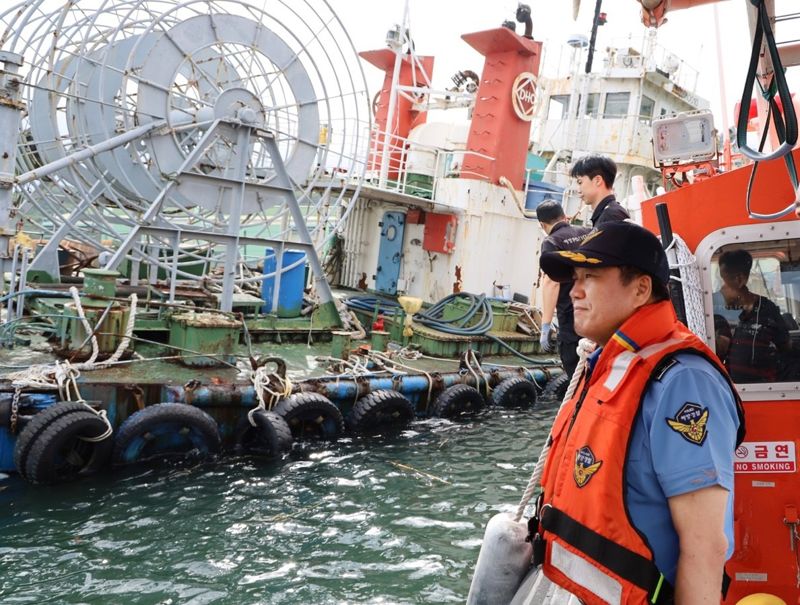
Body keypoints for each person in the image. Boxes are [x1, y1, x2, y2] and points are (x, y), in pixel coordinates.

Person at [531, 221, 744, 604]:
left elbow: (705, 545)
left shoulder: (683, 382)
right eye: (574, 278)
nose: (573, 292)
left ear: (641, 288)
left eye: (590, 277)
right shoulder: (612, 360)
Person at [713, 249, 789, 383]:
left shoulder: (768, 310)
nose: (721, 289)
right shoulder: (719, 311)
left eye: (723, 282)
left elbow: (786, 347)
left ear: (739, 280)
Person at [535, 200, 590, 378]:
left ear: (543, 225)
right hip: (596, 312)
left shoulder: (551, 242)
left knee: (574, 368)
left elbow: (552, 282)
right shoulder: (586, 232)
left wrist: (545, 325)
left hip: (571, 317)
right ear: (564, 216)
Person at [570, 155, 629, 228]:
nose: (578, 190)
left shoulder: (610, 216)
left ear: (597, 180)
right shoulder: (611, 213)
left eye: (580, 182)